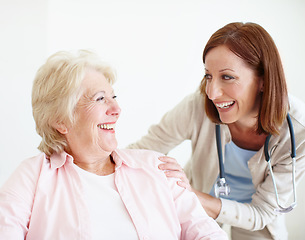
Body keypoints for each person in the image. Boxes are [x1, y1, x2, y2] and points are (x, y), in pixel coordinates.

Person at [0, 50, 228, 239]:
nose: (116, 110)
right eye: (100, 99)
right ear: (61, 120)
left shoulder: (157, 168)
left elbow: (205, 232)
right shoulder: (32, 177)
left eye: (114, 97)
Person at [128, 22, 305, 240]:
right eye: (208, 76)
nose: (212, 93)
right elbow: (141, 150)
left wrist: (192, 195)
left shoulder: (298, 132)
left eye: (227, 77)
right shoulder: (197, 106)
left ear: (263, 80)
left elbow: (262, 213)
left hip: (257, 225)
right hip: (199, 214)